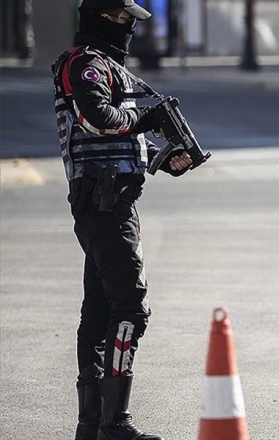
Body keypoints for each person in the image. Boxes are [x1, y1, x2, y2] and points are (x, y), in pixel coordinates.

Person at [51, 1, 193, 439]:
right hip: (103, 200)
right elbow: (98, 120)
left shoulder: (107, 65)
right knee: (131, 305)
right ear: (104, 16)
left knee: (99, 310)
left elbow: (120, 137)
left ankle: (91, 424)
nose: (131, 27)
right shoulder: (84, 64)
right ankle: (116, 423)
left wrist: (164, 157)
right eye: (125, 18)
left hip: (113, 196)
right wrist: (147, 118)